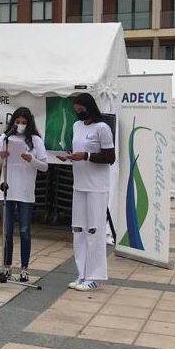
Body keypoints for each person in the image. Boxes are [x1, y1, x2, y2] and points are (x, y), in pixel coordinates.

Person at [60, 93, 115, 292]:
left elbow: (110, 157)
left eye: (81, 110)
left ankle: (95, 276)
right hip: (79, 185)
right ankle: (81, 273)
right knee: (79, 231)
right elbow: (78, 149)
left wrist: (87, 155)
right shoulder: (76, 127)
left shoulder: (102, 128)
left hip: (97, 187)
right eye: (76, 111)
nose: (79, 114)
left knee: (95, 231)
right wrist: (71, 157)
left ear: (89, 107)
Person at [0, 107, 48, 283]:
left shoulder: (35, 140)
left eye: (23, 122)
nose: (20, 125)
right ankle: (6, 267)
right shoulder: (5, 138)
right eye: (17, 122)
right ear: (13, 122)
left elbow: (45, 166)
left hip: (25, 191)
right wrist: (1, 157)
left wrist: (32, 160)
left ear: (29, 123)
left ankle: (24, 269)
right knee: (6, 232)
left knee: (24, 231)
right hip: (7, 190)